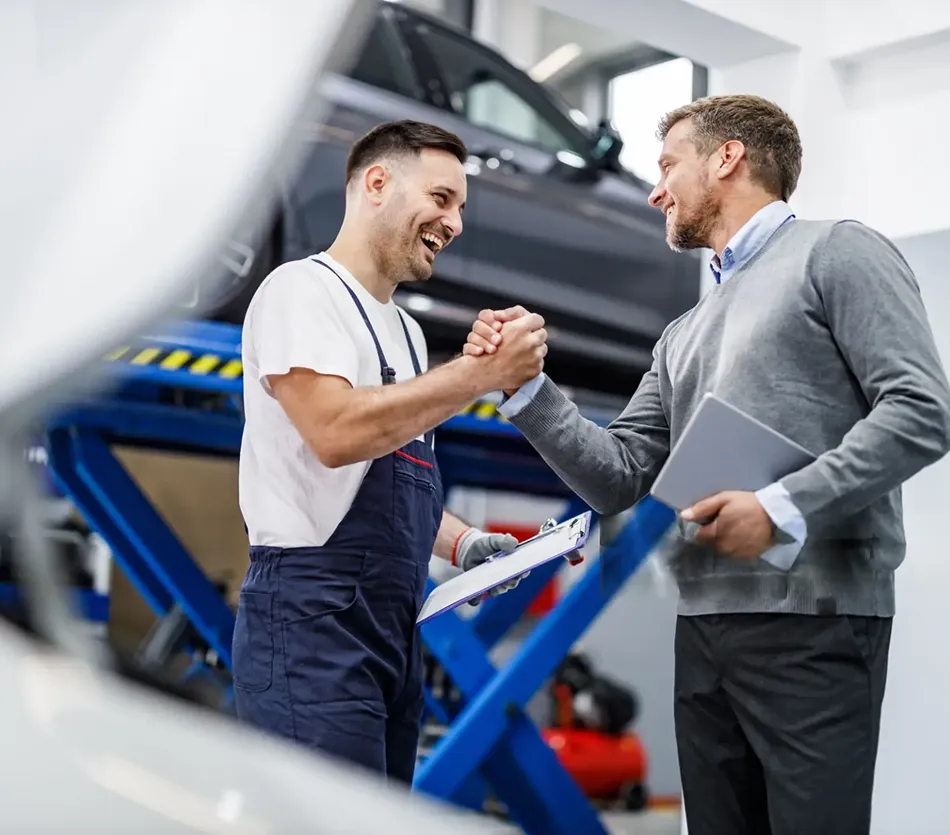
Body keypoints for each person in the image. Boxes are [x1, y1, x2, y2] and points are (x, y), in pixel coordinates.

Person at [463, 94, 950, 835]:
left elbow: (923, 409)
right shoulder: (681, 334)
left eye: (667, 164)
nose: (655, 188)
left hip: (814, 623)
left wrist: (783, 505)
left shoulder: (838, 251)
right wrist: (524, 388)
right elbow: (618, 472)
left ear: (727, 158)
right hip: (705, 628)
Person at [231, 119, 547, 784]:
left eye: (460, 206)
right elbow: (337, 433)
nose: (454, 222)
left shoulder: (404, 332)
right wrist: (477, 375)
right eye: (441, 198)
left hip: (391, 630)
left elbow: (391, 478)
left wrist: (465, 545)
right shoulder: (302, 291)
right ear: (377, 183)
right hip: (310, 624)